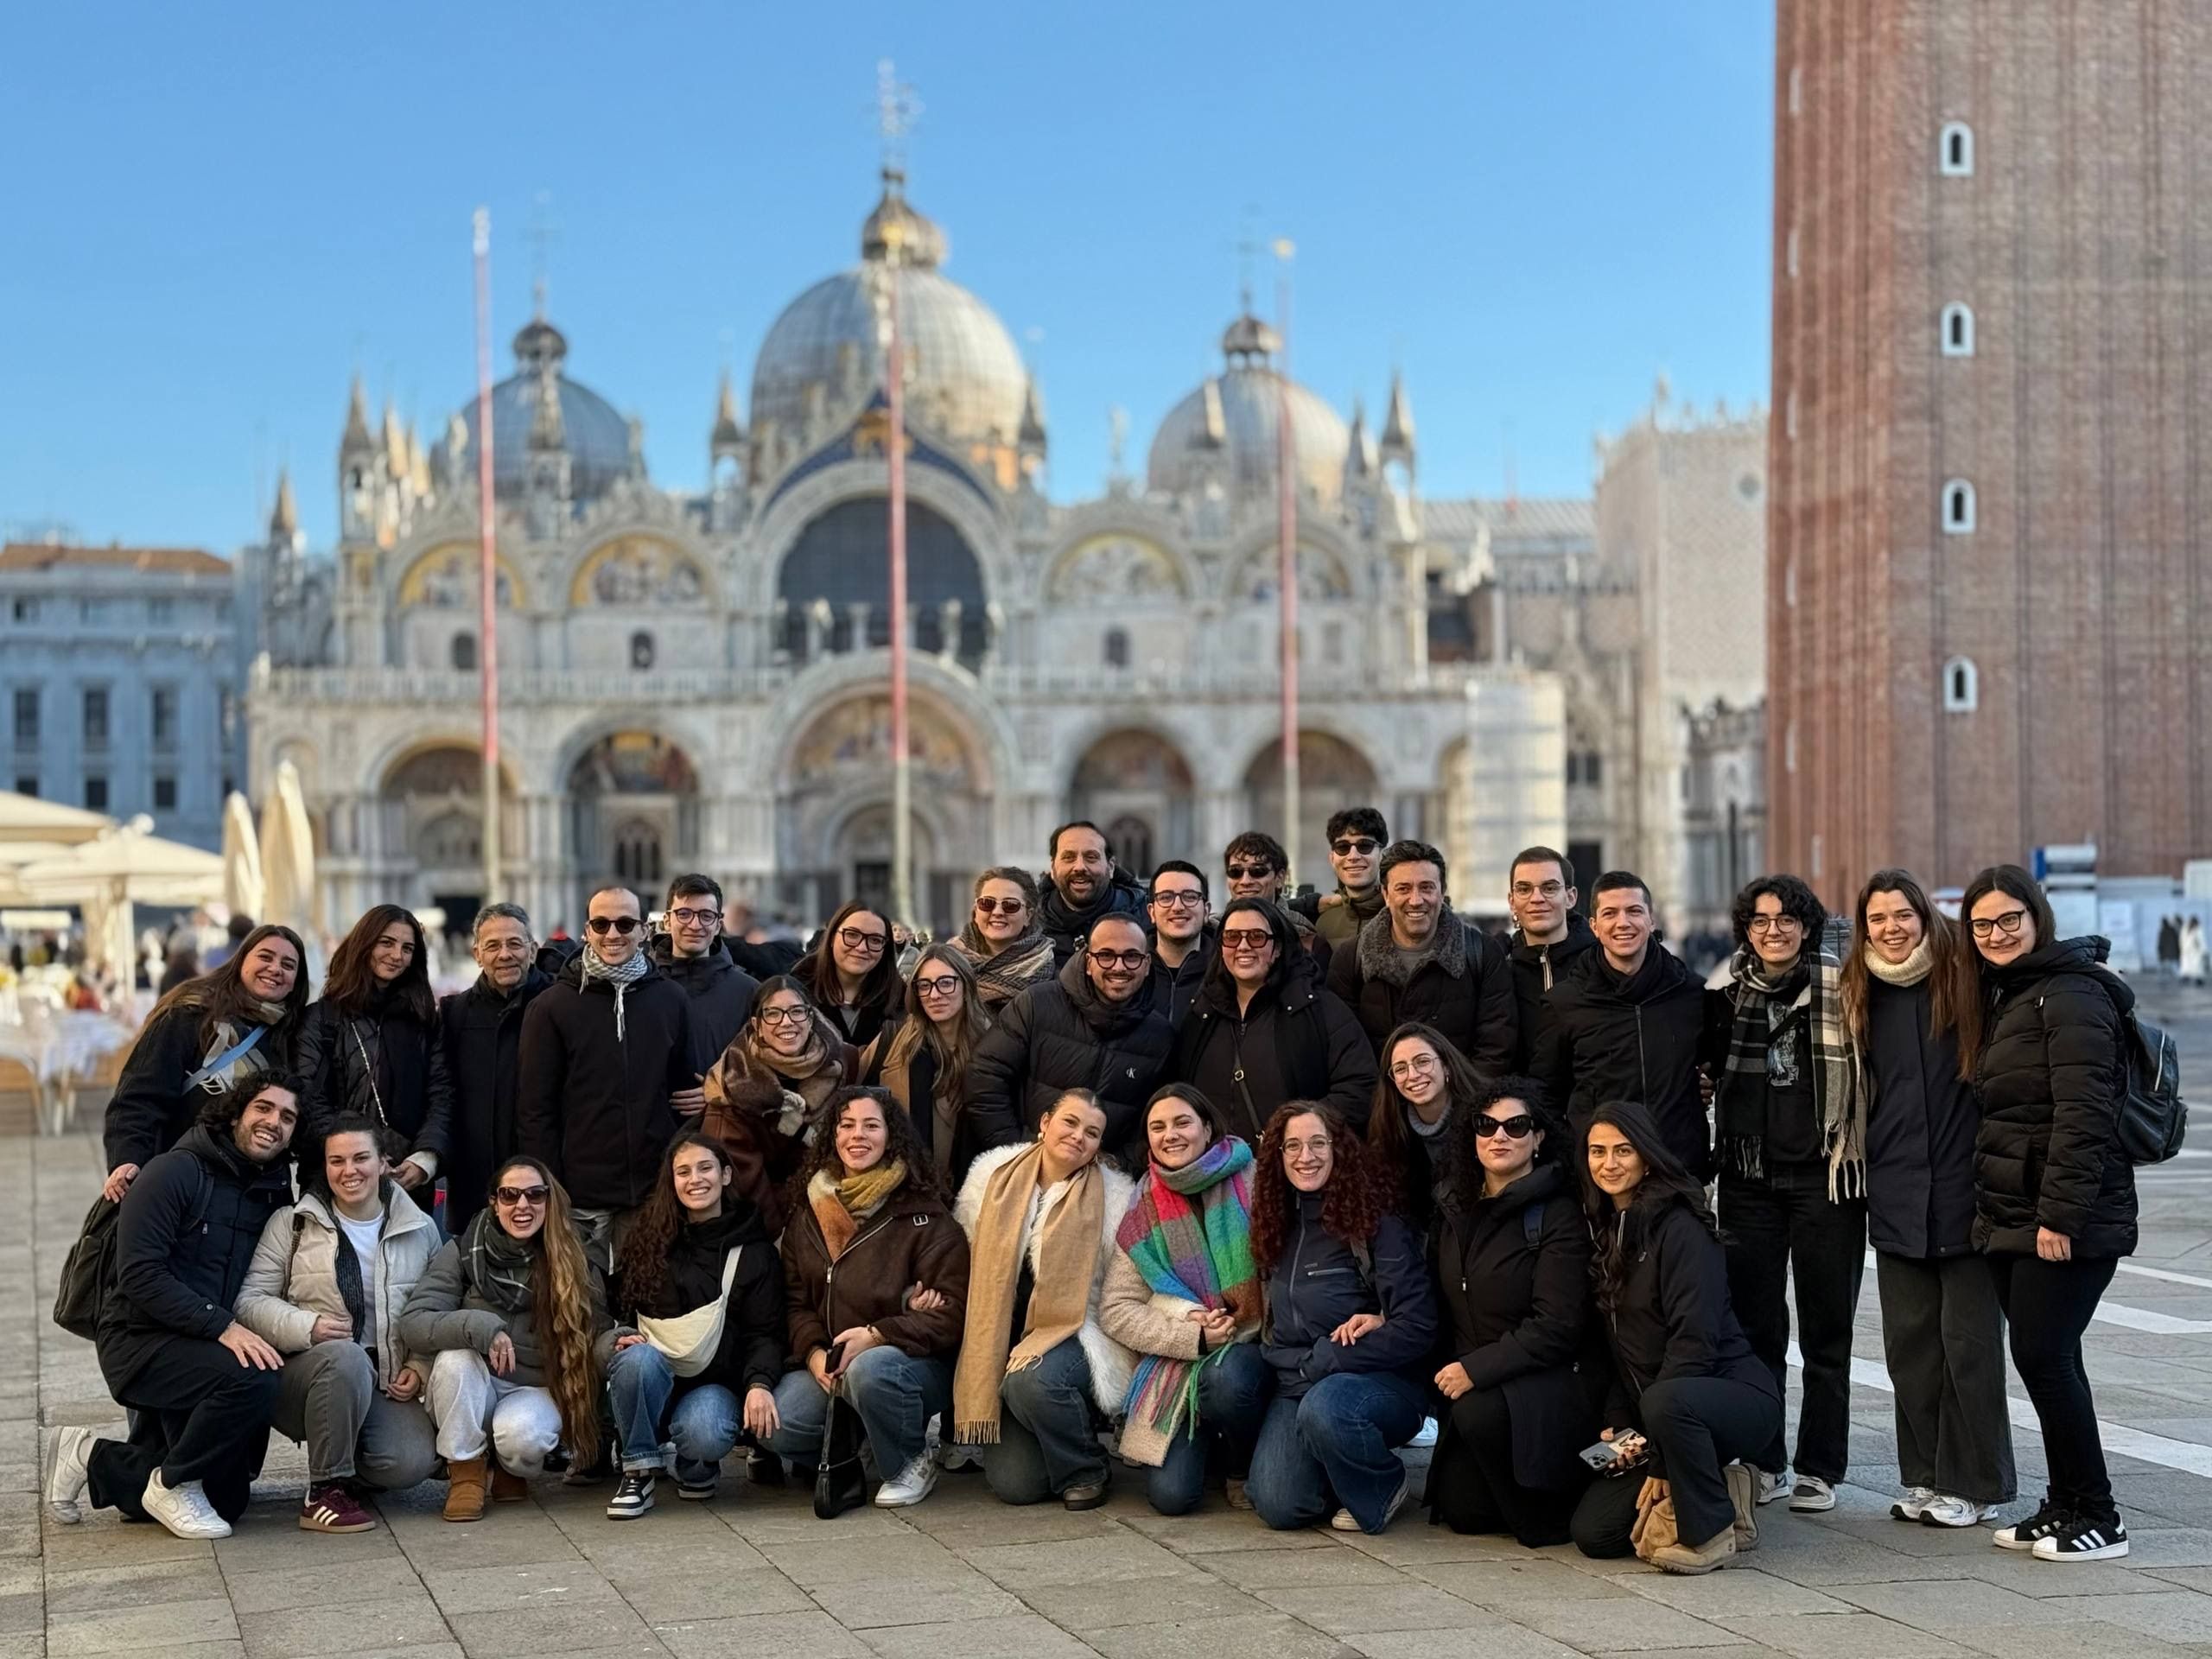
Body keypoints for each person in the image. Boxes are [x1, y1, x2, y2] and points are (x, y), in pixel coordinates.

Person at [1960, 864, 2137, 1561]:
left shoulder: (2069, 995)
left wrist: (2059, 1217)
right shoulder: (2016, 993)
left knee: (2044, 1354)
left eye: (2009, 920)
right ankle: (2065, 1503)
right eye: (1982, 924)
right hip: (2014, 1211)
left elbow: (2084, 1114)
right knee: (2048, 1357)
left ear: (2037, 919)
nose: (1997, 934)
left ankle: (2100, 1514)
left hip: (2063, 1219)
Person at [48, 1074, 302, 1539]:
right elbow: (140, 1275)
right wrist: (223, 1327)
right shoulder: (174, 1171)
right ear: (236, 1113)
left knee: (227, 1500)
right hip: (140, 1339)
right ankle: (169, 1482)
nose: (274, 1122)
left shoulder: (272, 1192)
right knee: (256, 1377)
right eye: (263, 1108)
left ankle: (88, 1455)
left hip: (201, 1347)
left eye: (287, 1116)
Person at [1838, 868, 2015, 1529]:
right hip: (1897, 1193)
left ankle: (1974, 1483)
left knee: (1970, 1346)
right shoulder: (1859, 993)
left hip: (1970, 1195)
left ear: (1925, 916)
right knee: (1910, 1347)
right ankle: (1922, 1476)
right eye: (1878, 918)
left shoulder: (1965, 981)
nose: (1891, 928)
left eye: (1902, 915)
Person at [1706, 875, 1866, 1513]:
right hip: (1748, 1180)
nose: (1773, 930)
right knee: (1756, 1329)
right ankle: (1764, 1457)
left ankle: (1821, 1466)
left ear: (1807, 925)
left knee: (1829, 1331)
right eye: (1761, 920)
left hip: (1826, 1178)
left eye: (1787, 919)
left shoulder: (1844, 988)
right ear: (1746, 929)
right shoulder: (1727, 994)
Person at [1570, 1100, 1781, 1574]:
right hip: (1658, 1416)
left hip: (1731, 1398)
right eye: (1597, 1151)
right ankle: (1730, 1488)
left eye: (1623, 1151)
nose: (1609, 1164)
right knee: (1594, 1532)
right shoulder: (1604, 1229)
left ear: (1646, 1155)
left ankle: (1710, 1535)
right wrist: (1619, 1424)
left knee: (1668, 1402)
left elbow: (1695, 1343)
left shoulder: (1681, 1227)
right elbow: (1616, 1350)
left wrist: (1661, 1460)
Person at [232, 1115, 442, 1531]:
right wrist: (305, 1326)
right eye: (337, 1161)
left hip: (381, 1378)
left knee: (408, 1463)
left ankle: (349, 1461)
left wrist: (418, 1366)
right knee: (344, 1359)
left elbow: (436, 1306)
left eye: (361, 1158)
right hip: (304, 1374)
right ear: (324, 1167)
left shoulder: (420, 1228)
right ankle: (326, 1489)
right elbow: (248, 1301)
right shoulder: (291, 1224)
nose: (349, 1171)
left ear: (384, 1163)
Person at [767, 1087, 969, 1507]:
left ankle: (910, 1461)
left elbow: (951, 1313)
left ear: (891, 1136)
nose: (857, 1136)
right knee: (778, 1425)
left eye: (871, 1126)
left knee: (872, 1372)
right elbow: (794, 1303)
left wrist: (877, 1335)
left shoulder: (925, 1216)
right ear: (832, 1135)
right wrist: (813, 1354)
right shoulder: (808, 1213)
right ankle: (864, 1442)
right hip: (830, 1361)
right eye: (847, 1125)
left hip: (910, 1364)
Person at [1245, 1101, 1436, 1535]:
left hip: (1379, 1385)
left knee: (1327, 1408)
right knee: (1279, 1505)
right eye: (1291, 1146)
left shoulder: (1376, 1224)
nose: (1305, 1157)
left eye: (1317, 1143)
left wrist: (1332, 1356)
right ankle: (1336, 1474)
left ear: (1339, 1149)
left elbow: (1418, 1326)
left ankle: (1382, 1485)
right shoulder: (1275, 1223)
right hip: (1299, 1383)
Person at [1427, 1077, 1597, 1546]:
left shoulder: (1557, 1214)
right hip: (1480, 1384)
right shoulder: (1454, 1206)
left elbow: (1558, 1325)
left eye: (1516, 1126)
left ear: (1539, 1138)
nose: (1499, 1136)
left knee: (1477, 1414)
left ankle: (1550, 1513)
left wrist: (1474, 1370)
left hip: (1545, 1379)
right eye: (1486, 1125)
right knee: (1461, 1510)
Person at [398, 1157, 613, 1521]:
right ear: (494, 1203)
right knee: (455, 1359)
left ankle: (508, 1466)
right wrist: (483, 1328)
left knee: (523, 1440)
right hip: (471, 1386)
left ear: (550, 1201)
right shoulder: (464, 1249)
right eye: (510, 1195)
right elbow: (416, 1322)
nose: (523, 1205)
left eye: (535, 1195)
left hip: (534, 1386)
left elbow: (596, 1331)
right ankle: (465, 1472)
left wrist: (618, 1343)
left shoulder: (574, 1255)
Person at [954, 1090, 1138, 1509]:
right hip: (1002, 1339)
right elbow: (961, 1254)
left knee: (1032, 1382)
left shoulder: (1114, 1197)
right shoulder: (990, 1175)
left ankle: (1086, 1467)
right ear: (1044, 1123)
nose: (1078, 1137)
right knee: (1017, 1487)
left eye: (1092, 1133)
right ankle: (1055, 1433)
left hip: (1078, 1331)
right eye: (1070, 1123)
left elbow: (1124, 1285)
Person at [1097, 1084, 1271, 1516]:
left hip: (1255, 1345)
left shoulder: (1257, 1180)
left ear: (1207, 1128)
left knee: (1227, 1381)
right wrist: (1191, 1334)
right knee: (1171, 1497)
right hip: (1183, 1358)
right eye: (1158, 1127)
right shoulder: (1143, 1203)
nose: (1169, 1135)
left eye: (1182, 1123)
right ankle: (1210, 1442)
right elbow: (1117, 1308)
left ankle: (1240, 1460)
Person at [603, 1132, 785, 1516]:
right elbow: (620, 1305)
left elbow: (764, 1331)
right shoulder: (648, 1240)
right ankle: (638, 1469)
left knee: (705, 1431)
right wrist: (621, 1335)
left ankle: (697, 1464)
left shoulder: (753, 1251)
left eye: (705, 1168)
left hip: (715, 1384)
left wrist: (758, 1383)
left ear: (726, 1175)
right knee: (635, 1361)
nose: (695, 1179)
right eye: (682, 1171)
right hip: (654, 1377)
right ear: (672, 1182)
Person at [517, 886, 696, 1260]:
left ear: (645, 931)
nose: (612, 934)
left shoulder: (671, 999)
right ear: (586, 931)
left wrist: (671, 1171)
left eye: (625, 923)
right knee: (582, 1306)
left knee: (646, 1298)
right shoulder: (551, 1006)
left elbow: (682, 1095)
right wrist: (551, 1186)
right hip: (579, 1198)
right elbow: (535, 1109)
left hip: (651, 1189)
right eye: (601, 924)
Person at [101, 922, 309, 1203]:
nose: (275, 968)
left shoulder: (294, 1036)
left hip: (255, 1194)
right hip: (184, 1183)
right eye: (265, 957)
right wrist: (127, 1159)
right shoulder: (188, 1015)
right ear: (241, 960)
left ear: (297, 979)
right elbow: (139, 1098)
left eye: (288, 964)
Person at [1533, 871, 1710, 1179]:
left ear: (1651, 921)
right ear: (1594, 926)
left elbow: (1715, 1067)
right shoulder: (1564, 1004)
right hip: (1601, 1176)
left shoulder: (1691, 993)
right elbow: (1546, 1095)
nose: (1623, 923)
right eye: (1610, 914)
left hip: (1679, 1170)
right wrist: (1575, 1153)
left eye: (1634, 911)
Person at [964, 913, 1174, 1167]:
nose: (1119, 967)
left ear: (1146, 964)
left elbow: (1159, 1115)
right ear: (1088, 962)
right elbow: (985, 1076)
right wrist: (1018, 1150)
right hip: (1023, 1166)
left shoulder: (1160, 1036)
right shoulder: (1037, 1004)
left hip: (1104, 1183)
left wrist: (1116, 1166)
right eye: (1106, 956)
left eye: (1131, 957)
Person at [1167, 896, 1375, 1145]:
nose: (1243, 946)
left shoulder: (1318, 1009)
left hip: (1292, 1170)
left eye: (1256, 937)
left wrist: (1297, 1135)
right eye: (1232, 937)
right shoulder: (1201, 1013)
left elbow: (1359, 1085)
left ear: (1277, 949)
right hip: (1215, 1172)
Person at [296, 905, 453, 1191]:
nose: (397, 956)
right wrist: (356, 1158)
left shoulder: (424, 1020)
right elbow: (308, 1096)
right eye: (387, 942)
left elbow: (441, 1093)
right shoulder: (322, 1018)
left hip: (407, 1179)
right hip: (336, 1177)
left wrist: (425, 1159)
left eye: (408, 948)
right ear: (364, 944)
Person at [1327, 839, 1516, 1075]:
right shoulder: (1350, 959)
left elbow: (1495, 1048)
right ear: (1385, 894)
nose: (1416, 900)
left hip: (1462, 1102)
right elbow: (1344, 1051)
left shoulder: (1482, 953)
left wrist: (1464, 1103)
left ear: (1442, 891)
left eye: (1426, 887)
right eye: (1403, 889)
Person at [701, 976, 859, 1230]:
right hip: (777, 1221)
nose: (787, 1022)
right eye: (773, 1014)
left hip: (843, 1204)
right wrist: (784, 1238)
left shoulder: (842, 1062)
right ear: (757, 1024)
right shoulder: (736, 1085)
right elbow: (747, 1188)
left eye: (797, 1011)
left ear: (811, 1017)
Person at [441, 904, 555, 1238]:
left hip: (544, 1184)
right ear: (477, 954)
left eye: (515, 944)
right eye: (493, 946)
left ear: (533, 950)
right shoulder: (454, 1015)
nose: (504, 954)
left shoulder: (559, 1004)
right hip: (475, 1188)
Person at [861, 944, 993, 1184]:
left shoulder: (994, 1046)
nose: (934, 995)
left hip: (972, 1192)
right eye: (924, 985)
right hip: (903, 1191)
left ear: (966, 986)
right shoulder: (891, 1042)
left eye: (945, 983)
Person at [1367, 1020, 1487, 1238]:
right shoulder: (1391, 1135)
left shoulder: (1485, 1120)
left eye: (1422, 1062)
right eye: (1400, 1069)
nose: (1412, 1075)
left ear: (1446, 1066)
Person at [651, 873, 761, 1090]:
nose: (695, 925)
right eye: (684, 914)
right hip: (654, 1122)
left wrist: (722, 1094)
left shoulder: (748, 991)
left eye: (706, 915)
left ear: (719, 924)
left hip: (723, 1121)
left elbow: (763, 1066)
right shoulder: (643, 985)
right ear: (667, 920)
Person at [1504, 846, 1597, 1071]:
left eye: (1549, 888)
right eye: (1524, 889)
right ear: (1512, 900)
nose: (1537, 898)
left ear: (1571, 897)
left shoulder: (1600, 961)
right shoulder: (1497, 968)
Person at [794, 900, 905, 1052]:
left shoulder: (901, 999)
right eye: (852, 935)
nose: (861, 948)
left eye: (875, 940)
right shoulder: (795, 991)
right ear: (832, 937)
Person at [1036, 821, 1147, 969]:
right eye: (1068, 857)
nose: (1080, 867)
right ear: (1053, 868)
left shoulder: (1148, 917)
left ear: (1111, 867)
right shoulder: (1029, 924)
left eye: (1091, 857)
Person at [944, 868, 1058, 1013]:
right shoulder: (947, 964)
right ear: (976, 911)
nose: (997, 912)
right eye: (987, 903)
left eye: (1010, 905)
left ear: (1028, 916)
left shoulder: (1051, 975)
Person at [1146, 860, 1216, 1027]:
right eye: (1166, 897)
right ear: (1152, 912)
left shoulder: (1225, 971)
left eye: (1190, 897)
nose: (1177, 907)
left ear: (1206, 911)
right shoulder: (1131, 969)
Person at [1313, 807, 1389, 953]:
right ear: (1332, 858)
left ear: (1382, 855)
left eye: (1365, 846)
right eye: (1343, 848)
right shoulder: (1323, 924)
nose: (1353, 856)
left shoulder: (1402, 916)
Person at [2183, 917, 2209, 988]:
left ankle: (2197, 980)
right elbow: (2201, 941)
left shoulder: (2192, 930)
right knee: (2196, 967)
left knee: (2195, 967)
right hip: (2193, 952)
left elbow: (2200, 941)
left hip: (2193, 952)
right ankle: (2196, 980)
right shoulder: (2195, 930)